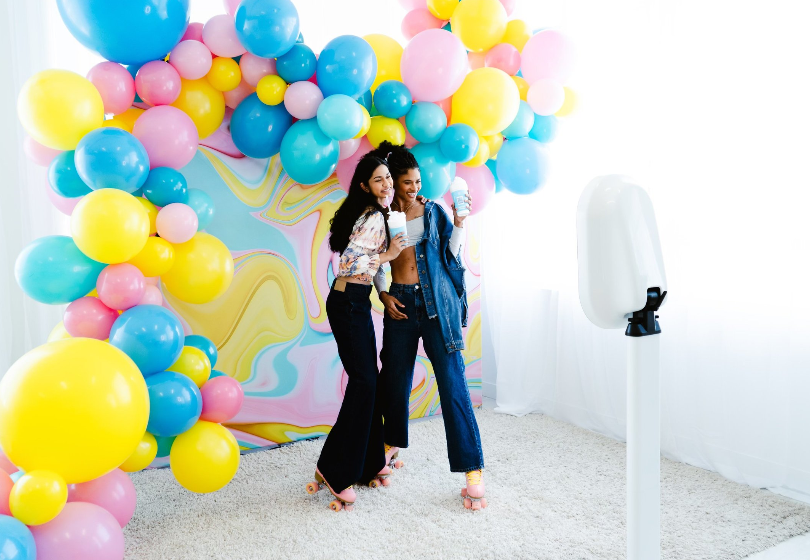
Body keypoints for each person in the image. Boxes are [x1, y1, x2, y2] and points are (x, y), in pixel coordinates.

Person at [370, 142, 487, 510]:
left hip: (437, 305)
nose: (414, 188)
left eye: (417, 181)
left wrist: (462, 222)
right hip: (401, 302)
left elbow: (452, 253)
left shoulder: (434, 211)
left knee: (453, 382)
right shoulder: (380, 217)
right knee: (394, 379)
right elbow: (372, 260)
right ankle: (391, 444)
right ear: (391, 182)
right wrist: (384, 294)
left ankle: (472, 468)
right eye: (407, 182)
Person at [306, 153, 406, 511]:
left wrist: (382, 290)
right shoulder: (375, 215)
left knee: (370, 380)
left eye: (388, 179)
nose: (388, 185)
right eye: (379, 180)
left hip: (356, 300)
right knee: (365, 382)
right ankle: (335, 468)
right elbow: (350, 261)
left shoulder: (376, 213)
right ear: (365, 185)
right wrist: (390, 253)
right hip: (348, 303)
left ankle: (370, 462)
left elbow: (369, 263)